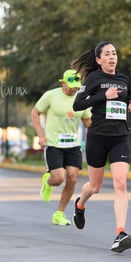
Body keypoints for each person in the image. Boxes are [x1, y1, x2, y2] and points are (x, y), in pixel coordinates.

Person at [71, 41, 131, 253]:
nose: (112, 57)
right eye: (107, 54)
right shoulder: (93, 79)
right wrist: (103, 96)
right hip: (98, 138)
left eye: (114, 53)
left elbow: (129, 101)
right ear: (99, 60)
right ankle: (80, 204)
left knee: (121, 184)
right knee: (95, 186)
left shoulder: (124, 79)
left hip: (119, 137)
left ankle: (120, 233)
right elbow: (78, 104)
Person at [31, 69, 92, 226]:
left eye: (76, 85)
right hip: (53, 144)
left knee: (72, 178)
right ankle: (48, 182)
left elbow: (87, 121)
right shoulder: (51, 95)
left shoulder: (81, 98)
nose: (74, 89)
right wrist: (41, 136)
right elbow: (35, 113)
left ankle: (59, 214)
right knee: (58, 179)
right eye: (71, 85)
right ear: (63, 83)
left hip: (73, 145)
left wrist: (99, 129)